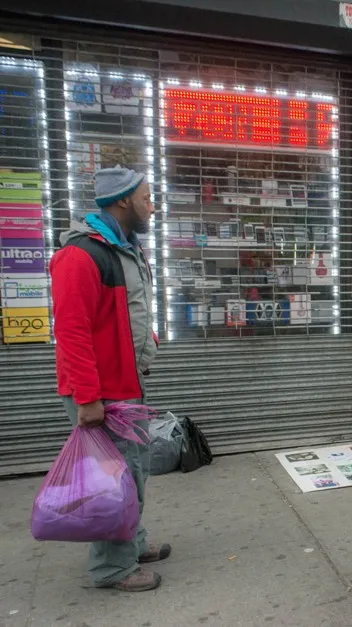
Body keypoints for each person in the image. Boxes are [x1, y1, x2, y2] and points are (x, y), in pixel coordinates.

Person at [49, 166, 169, 592]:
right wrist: (87, 398)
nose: (153, 207)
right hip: (100, 390)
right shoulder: (79, 256)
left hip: (127, 381)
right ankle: (113, 568)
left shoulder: (126, 249)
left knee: (132, 473)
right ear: (122, 201)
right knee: (110, 481)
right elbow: (71, 332)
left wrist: (145, 345)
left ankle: (131, 544)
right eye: (147, 198)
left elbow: (131, 311)